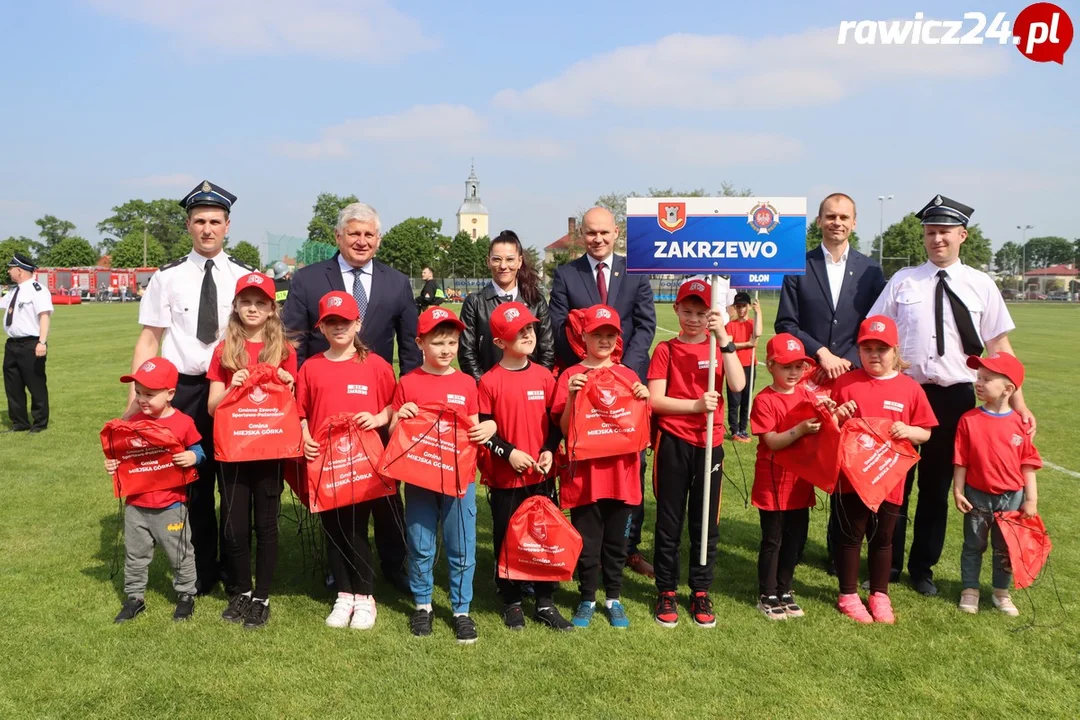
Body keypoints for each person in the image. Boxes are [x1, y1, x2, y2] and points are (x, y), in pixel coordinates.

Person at [869, 194, 1035, 597]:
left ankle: (922, 567)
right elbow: (876, 331)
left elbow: (1000, 349)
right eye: (930, 232)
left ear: (962, 235)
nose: (936, 239)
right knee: (894, 483)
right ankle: (884, 563)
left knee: (937, 486)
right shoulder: (903, 281)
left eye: (944, 231)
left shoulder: (981, 284)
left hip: (956, 397)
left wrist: (1020, 404)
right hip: (906, 393)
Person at [129, 180, 257, 595]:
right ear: (188, 225)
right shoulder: (167, 277)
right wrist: (135, 400)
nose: (207, 229)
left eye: (215, 221)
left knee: (234, 482)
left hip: (232, 388)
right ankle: (201, 568)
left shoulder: (243, 277)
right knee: (192, 481)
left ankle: (236, 566)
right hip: (182, 391)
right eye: (199, 221)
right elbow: (150, 339)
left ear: (228, 225)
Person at [283, 201, 418, 592]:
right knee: (337, 487)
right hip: (327, 406)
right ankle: (339, 566)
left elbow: (409, 347)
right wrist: (300, 411)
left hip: (377, 406)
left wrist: (405, 403)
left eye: (369, 234)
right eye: (354, 233)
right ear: (338, 237)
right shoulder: (308, 280)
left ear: (378, 239)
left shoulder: (396, 282)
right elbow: (292, 343)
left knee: (387, 489)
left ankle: (395, 563)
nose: (361, 241)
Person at [549, 207, 657, 578]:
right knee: (589, 466)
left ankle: (628, 546)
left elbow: (645, 324)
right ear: (582, 234)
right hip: (586, 389)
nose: (598, 239)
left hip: (626, 389)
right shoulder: (566, 274)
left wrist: (624, 372)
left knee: (632, 465)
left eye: (604, 233)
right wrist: (591, 370)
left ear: (617, 232)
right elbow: (559, 325)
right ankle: (586, 547)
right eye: (591, 233)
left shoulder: (636, 271)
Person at [391, 306, 494, 643]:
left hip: (458, 479)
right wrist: (400, 415)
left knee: (461, 546)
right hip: (420, 478)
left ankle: (461, 610)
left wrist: (487, 427)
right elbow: (395, 434)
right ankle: (423, 606)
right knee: (421, 544)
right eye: (437, 342)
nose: (446, 349)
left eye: (451, 342)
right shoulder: (407, 382)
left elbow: (475, 427)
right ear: (420, 342)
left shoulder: (466, 383)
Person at [296, 291, 396, 630]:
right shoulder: (310, 367)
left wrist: (380, 418)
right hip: (326, 465)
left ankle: (365, 596)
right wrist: (305, 435)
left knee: (355, 528)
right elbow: (300, 413)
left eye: (345, 321)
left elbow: (395, 405)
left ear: (358, 323)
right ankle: (344, 594)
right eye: (331, 322)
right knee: (332, 530)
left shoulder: (376, 365)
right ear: (321, 328)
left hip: (363, 466)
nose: (338, 327)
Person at [648, 280, 745, 629]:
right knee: (669, 521)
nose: (693, 319)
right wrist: (694, 405)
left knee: (705, 522)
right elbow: (655, 400)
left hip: (710, 443)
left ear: (712, 314)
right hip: (673, 442)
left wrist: (724, 339)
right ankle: (667, 590)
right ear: (676, 310)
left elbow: (737, 385)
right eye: (687, 312)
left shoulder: (718, 347)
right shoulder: (666, 350)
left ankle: (701, 590)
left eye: (701, 313)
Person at [831, 316, 938, 623]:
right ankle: (848, 595)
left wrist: (908, 430)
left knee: (883, 538)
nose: (874, 355)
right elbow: (830, 428)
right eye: (867, 348)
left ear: (895, 350)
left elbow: (926, 433)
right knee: (851, 535)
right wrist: (837, 415)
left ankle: (880, 594)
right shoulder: (846, 383)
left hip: (889, 479)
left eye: (881, 348)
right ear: (859, 350)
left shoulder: (910, 388)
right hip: (852, 478)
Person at [206, 272, 297, 629]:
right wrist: (233, 387)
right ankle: (242, 590)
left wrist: (288, 383)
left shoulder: (284, 351)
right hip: (234, 450)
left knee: (266, 524)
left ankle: (263, 596)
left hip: (269, 448)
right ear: (236, 306)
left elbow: (292, 408)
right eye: (247, 302)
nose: (253, 308)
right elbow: (213, 407)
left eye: (261, 303)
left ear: (272, 309)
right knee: (233, 525)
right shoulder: (224, 350)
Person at [552, 304, 650, 629]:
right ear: (584, 336)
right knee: (588, 542)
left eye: (611, 335)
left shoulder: (629, 377)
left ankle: (614, 598)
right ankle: (587, 597)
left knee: (617, 542)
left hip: (621, 477)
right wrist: (570, 396)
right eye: (598, 334)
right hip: (585, 478)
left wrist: (643, 397)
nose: (605, 340)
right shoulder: (570, 375)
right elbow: (565, 429)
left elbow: (641, 431)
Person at [478, 301, 572, 632]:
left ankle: (545, 600)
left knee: (543, 535)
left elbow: (556, 423)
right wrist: (509, 453)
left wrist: (548, 450)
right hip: (506, 478)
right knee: (507, 537)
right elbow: (483, 432)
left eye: (530, 329)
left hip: (541, 476)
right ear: (499, 342)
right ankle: (511, 599)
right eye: (518, 332)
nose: (527, 335)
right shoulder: (489, 382)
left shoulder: (545, 377)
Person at [108, 357, 202, 623]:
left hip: (171, 506)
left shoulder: (183, 423)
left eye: (149, 394)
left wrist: (193, 458)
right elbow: (121, 455)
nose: (142, 399)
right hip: (136, 505)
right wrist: (112, 462)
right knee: (135, 555)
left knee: (180, 553)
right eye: (138, 393)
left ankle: (186, 595)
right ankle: (134, 598)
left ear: (170, 393)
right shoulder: (133, 422)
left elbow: (198, 450)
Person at [953, 352, 1041, 616]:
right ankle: (970, 589)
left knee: (1004, 548)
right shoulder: (968, 419)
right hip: (976, 495)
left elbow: (1028, 464)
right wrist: (958, 490)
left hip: (1012, 498)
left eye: (987, 379)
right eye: (978, 377)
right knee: (973, 545)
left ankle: (1001, 593)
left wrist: (1031, 499)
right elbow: (961, 460)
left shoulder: (1020, 424)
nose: (979, 383)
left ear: (1008, 389)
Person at [748, 333, 822, 621]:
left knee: (795, 538)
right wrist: (801, 429)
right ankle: (767, 593)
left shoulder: (807, 394)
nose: (793, 373)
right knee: (774, 539)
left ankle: (785, 589)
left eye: (798, 367)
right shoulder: (765, 399)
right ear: (770, 366)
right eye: (786, 366)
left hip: (800, 480)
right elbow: (773, 441)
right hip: (773, 481)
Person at [460, 230, 555, 380]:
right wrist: (485, 387)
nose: (503, 266)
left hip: (529, 390)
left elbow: (547, 349)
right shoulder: (475, 302)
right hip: (490, 391)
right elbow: (467, 353)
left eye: (510, 259)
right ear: (488, 261)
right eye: (496, 259)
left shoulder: (535, 300)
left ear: (519, 261)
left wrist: (536, 383)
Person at [2, 253, 52, 434]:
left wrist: (42, 342)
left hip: (31, 343)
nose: (8, 271)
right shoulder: (15, 291)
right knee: (13, 385)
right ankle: (20, 422)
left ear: (19, 270)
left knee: (35, 384)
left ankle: (39, 423)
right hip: (12, 344)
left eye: (10, 268)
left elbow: (44, 316)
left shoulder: (37, 289)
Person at [724, 291, 762, 442]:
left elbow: (757, 335)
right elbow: (729, 344)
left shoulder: (752, 324)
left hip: (749, 366)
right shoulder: (730, 325)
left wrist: (758, 312)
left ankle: (743, 428)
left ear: (748, 307)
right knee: (734, 400)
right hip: (734, 366)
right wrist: (747, 344)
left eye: (744, 306)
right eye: (738, 306)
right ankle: (734, 429)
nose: (741, 310)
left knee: (746, 399)